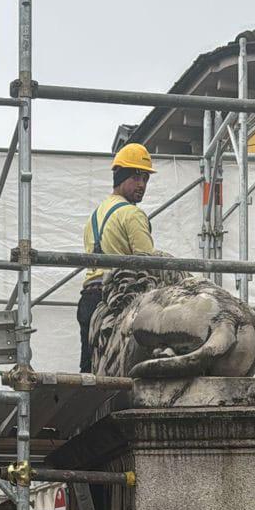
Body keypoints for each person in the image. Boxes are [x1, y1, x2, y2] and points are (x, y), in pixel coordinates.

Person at [80, 142, 159, 371]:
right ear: (121, 176)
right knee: (126, 375)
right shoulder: (132, 214)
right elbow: (149, 265)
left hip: (88, 300)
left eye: (145, 178)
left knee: (89, 373)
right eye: (136, 177)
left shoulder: (95, 216)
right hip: (117, 302)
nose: (142, 185)